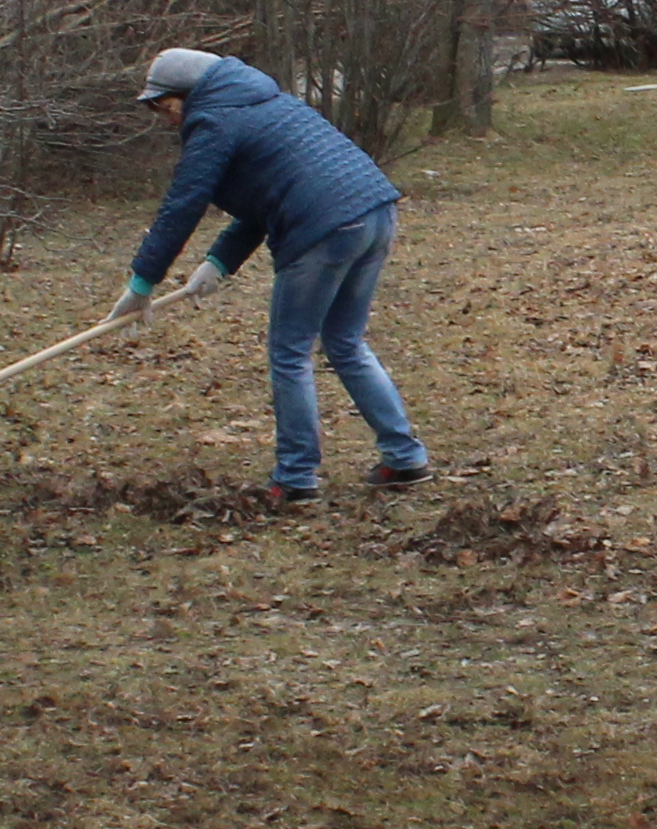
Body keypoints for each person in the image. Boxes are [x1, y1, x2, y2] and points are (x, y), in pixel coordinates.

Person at [113, 47, 429, 506]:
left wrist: (143, 283)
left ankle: (297, 477)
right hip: (374, 213)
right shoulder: (266, 103)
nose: (164, 118)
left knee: (290, 352)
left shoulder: (213, 121)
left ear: (187, 95)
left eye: (163, 106)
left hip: (324, 228)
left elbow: (183, 204)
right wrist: (218, 263)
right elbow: (269, 197)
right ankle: (404, 457)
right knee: (345, 342)